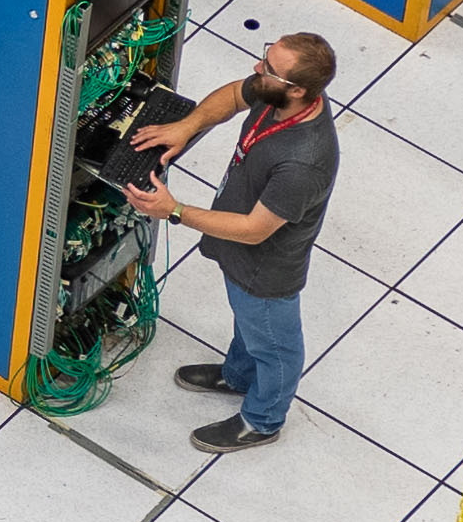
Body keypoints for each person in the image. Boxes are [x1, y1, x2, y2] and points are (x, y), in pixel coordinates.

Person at [129, 28, 344, 454]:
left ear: (298, 90)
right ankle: (239, 375)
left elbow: (255, 229)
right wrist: (185, 127)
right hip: (237, 247)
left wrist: (173, 211)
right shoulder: (278, 93)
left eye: (267, 69)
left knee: (274, 342)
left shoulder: (305, 160)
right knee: (248, 324)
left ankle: (262, 420)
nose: (255, 70)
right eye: (265, 59)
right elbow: (231, 97)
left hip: (266, 268)